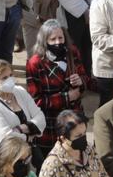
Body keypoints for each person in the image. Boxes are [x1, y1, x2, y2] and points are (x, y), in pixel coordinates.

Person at [25, 19, 89, 150]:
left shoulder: (73, 53)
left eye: (61, 38)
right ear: (44, 41)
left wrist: (81, 81)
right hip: (51, 124)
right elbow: (36, 101)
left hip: (74, 118)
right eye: (53, 39)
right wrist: (66, 97)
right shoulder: (35, 63)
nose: (58, 42)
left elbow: (86, 80)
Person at [0, 57, 46, 147]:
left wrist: (20, 129)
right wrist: (28, 137)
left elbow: (40, 117)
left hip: (30, 150)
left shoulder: (19, 91)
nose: (10, 80)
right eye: (4, 78)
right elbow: (4, 138)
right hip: (9, 157)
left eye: (11, 75)